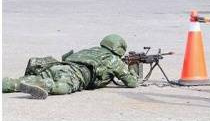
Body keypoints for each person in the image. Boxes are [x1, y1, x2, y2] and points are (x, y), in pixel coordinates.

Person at [2, 34, 138, 99]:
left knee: (20, 81)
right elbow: (131, 82)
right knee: (63, 87)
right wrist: (132, 67)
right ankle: (43, 85)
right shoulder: (114, 60)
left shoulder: (91, 49)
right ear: (119, 49)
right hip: (74, 74)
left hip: (57, 67)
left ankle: (9, 83)